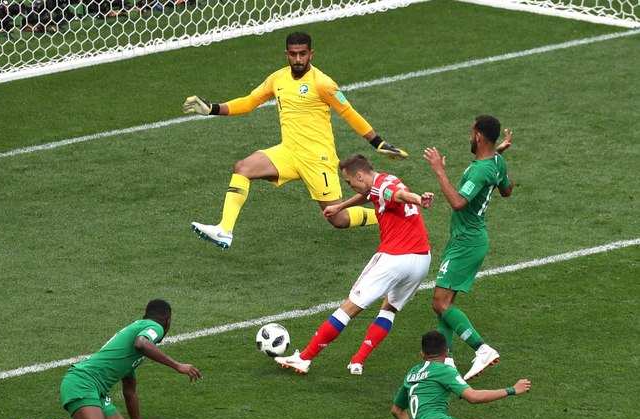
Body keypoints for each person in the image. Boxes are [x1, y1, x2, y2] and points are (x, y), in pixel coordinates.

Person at [182, 31, 408, 250]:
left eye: (302, 54)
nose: (298, 59)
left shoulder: (323, 83)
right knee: (243, 168)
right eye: (293, 54)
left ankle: (386, 213)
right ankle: (224, 230)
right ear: (286, 54)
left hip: (317, 159)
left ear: (312, 54)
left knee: (338, 218)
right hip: (288, 152)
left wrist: (378, 142)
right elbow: (249, 102)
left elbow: (349, 112)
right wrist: (212, 108)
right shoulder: (277, 79)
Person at [275, 155, 432, 375]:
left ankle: (304, 358)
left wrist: (417, 199)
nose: (350, 185)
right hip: (422, 259)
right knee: (389, 308)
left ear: (360, 175)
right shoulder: (386, 179)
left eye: (349, 182)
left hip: (395, 258)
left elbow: (397, 195)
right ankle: (357, 361)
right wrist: (340, 206)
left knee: (349, 307)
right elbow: (371, 194)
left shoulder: (383, 188)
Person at [12, 299, 202, 419]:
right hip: (82, 383)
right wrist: (178, 366)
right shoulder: (153, 327)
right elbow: (142, 343)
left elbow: (130, 392)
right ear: (167, 320)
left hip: (97, 392)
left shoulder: (132, 347)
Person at [391, 331, 593, 419]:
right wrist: (512, 390)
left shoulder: (411, 373)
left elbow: (397, 411)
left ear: (422, 354)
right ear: (446, 352)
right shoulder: (444, 370)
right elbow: (473, 397)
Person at [423, 115, 514, 380]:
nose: (468, 136)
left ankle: (482, 349)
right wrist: (499, 152)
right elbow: (506, 190)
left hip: (466, 242)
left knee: (440, 302)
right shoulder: (497, 162)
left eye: (470, 132)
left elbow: (458, 202)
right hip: (471, 239)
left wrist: (439, 170)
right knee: (446, 303)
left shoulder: (480, 170)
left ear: (478, 136)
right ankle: (445, 362)